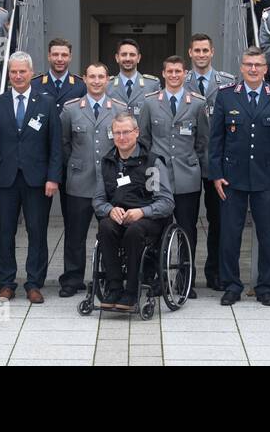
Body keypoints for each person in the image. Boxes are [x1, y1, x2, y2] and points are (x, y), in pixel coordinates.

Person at [208, 47, 270, 307]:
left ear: (266, 68)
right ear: (241, 68)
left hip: (267, 178)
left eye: (258, 65)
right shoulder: (226, 96)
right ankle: (231, 285)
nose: (253, 69)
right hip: (232, 179)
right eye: (248, 64)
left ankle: (266, 287)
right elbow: (216, 140)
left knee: (267, 236)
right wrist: (217, 175)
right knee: (230, 235)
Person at [0, 53, 62, 303]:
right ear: (9, 74)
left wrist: (53, 177)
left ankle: (34, 283)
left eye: (22, 72)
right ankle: (6, 282)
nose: (18, 76)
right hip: (4, 179)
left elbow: (55, 145)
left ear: (31, 72)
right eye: (14, 72)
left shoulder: (46, 103)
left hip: (37, 180)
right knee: (4, 233)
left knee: (36, 232)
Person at [136, 55, 210, 296]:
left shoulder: (197, 103)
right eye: (170, 71)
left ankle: (185, 280)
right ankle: (156, 279)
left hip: (187, 174)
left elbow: (202, 142)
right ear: (163, 74)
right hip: (156, 175)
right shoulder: (149, 102)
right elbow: (144, 140)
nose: (174, 75)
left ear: (184, 73)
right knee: (155, 228)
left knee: (187, 229)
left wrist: (193, 162)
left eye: (178, 71)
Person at [91, 114, 174, 311]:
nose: (122, 137)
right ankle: (114, 287)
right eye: (117, 133)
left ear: (136, 132)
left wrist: (142, 212)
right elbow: (98, 200)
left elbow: (165, 202)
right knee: (105, 226)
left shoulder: (151, 163)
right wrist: (110, 210)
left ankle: (131, 291)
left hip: (148, 218)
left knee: (134, 232)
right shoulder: (107, 163)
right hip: (119, 217)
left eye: (126, 132)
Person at [58, 63, 121, 297]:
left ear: (108, 80)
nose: (96, 81)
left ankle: (109, 278)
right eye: (92, 76)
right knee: (75, 235)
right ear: (84, 79)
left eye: (101, 77)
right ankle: (72, 280)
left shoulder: (118, 109)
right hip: (79, 182)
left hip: (109, 186)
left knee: (111, 233)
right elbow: (64, 142)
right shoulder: (71, 109)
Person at [186, 33, 234, 292]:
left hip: (218, 163)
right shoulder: (179, 81)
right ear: (190, 53)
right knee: (187, 223)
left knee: (218, 222)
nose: (202, 54)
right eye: (197, 50)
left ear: (212, 52)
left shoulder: (227, 81)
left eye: (206, 50)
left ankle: (215, 273)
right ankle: (187, 274)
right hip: (189, 162)